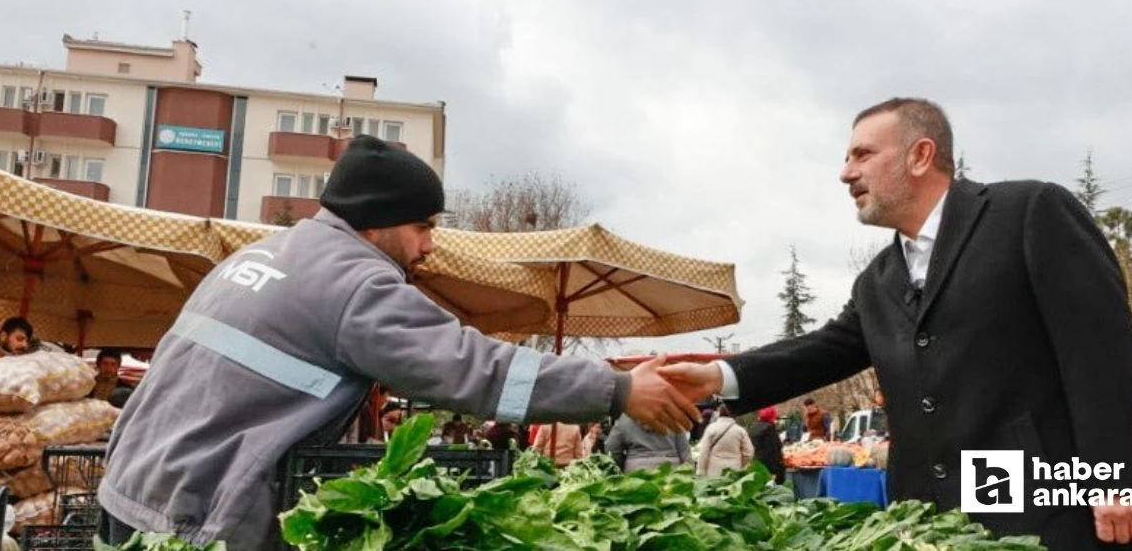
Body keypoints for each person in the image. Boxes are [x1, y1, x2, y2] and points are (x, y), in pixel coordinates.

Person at [97, 136, 698, 548]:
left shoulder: (260, 255)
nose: (429, 246)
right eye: (423, 227)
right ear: (377, 220)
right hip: (195, 510)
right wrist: (616, 388)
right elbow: (471, 368)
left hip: (132, 488)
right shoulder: (355, 282)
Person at [661, 98, 1132, 549]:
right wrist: (719, 376)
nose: (845, 173)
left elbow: (1101, 349)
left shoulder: (1027, 213)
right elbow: (823, 350)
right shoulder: (878, 280)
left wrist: (1116, 477)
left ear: (920, 155)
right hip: (929, 521)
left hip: (1042, 508)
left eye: (862, 155)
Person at [604, 414, 691, 472]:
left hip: (635, 472)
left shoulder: (625, 417)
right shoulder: (672, 415)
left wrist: (621, 466)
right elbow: (684, 452)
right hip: (671, 472)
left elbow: (611, 448)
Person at [695, 405, 753, 478]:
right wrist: (741, 464)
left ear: (719, 413)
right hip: (734, 469)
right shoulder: (740, 430)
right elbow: (749, 453)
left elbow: (704, 452)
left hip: (713, 469)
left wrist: (701, 470)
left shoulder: (711, 428)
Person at [749, 406, 785, 484]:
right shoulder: (769, 428)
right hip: (768, 467)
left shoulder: (753, 427)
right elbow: (773, 449)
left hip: (756, 463)